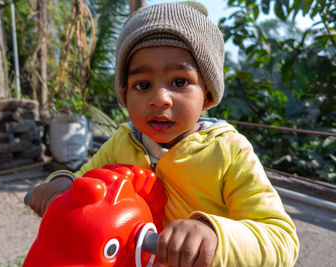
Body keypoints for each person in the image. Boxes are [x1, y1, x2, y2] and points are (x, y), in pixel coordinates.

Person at [29, 2, 299, 266]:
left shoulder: (228, 152)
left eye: (180, 82)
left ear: (207, 94)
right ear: (125, 94)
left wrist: (213, 235)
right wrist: (62, 183)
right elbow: (84, 184)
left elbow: (281, 240)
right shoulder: (122, 141)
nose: (159, 98)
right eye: (142, 84)